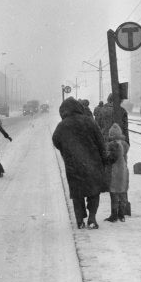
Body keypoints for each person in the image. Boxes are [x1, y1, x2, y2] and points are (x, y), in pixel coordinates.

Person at [52, 97, 108, 229]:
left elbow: (55, 140)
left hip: (73, 164)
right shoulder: (89, 121)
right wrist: (102, 157)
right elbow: (100, 141)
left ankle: (79, 220)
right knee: (94, 191)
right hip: (92, 162)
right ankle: (92, 218)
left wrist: (67, 150)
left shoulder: (62, 125)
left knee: (77, 193)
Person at [104, 123, 129, 222]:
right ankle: (122, 215)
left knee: (114, 193)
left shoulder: (111, 144)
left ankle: (114, 215)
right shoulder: (125, 144)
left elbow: (109, 158)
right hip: (123, 171)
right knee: (122, 192)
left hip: (114, 171)